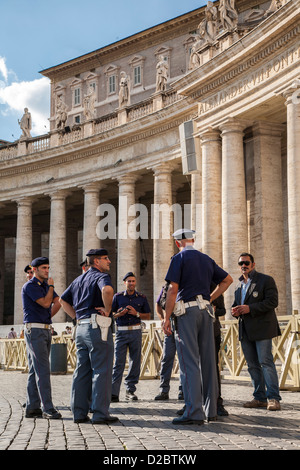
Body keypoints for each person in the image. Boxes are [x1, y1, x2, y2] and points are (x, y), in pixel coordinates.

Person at [163, 229, 233, 425]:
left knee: (189, 361)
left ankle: (193, 411)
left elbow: (172, 289)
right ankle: (211, 411)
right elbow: (227, 280)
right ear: (193, 240)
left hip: (187, 312)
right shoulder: (206, 258)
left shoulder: (179, 258)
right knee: (209, 362)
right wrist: (210, 299)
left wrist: (166, 317)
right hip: (206, 312)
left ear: (178, 243)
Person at [59, 248, 118, 424]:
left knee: (81, 371)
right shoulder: (101, 277)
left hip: (81, 328)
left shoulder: (79, 279)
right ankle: (100, 413)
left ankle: (78, 413)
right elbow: (107, 290)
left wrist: (76, 316)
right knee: (102, 370)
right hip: (97, 327)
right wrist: (108, 309)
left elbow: (63, 300)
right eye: (106, 259)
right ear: (97, 261)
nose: (109, 261)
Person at [231, 253, 282, 411]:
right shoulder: (239, 286)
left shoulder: (265, 280)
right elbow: (237, 304)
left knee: (266, 363)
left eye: (246, 262)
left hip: (262, 329)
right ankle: (259, 397)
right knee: (252, 365)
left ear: (253, 264)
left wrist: (249, 308)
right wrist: (235, 311)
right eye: (241, 263)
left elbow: (272, 302)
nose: (243, 266)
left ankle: (273, 398)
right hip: (246, 330)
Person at [21, 256, 62, 420]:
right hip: (35, 330)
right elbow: (47, 303)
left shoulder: (45, 286)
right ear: (35, 270)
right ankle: (48, 408)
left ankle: (32, 407)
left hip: (44, 328)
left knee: (34, 369)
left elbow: (58, 302)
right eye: (44, 268)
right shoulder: (30, 286)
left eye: (48, 268)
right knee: (43, 369)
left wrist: (47, 318)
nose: (47, 270)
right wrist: (51, 286)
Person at [111, 272, 151, 402]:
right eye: (129, 281)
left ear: (135, 283)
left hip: (135, 332)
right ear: (124, 283)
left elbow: (148, 315)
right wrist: (119, 314)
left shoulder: (142, 298)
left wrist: (136, 313)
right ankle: (114, 393)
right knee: (118, 362)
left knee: (135, 362)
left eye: (133, 281)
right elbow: (111, 314)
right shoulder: (117, 297)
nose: (131, 283)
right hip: (121, 332)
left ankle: (130, 390)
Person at [154, 281, 184, 401]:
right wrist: (162, 319)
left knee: (183, 358)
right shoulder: (166, 286)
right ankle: (163, 390)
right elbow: (158, 304)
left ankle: (183, 389)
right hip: (170, 326)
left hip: (183, 325)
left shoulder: (186, 284)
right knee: (167, 358)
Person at [211, 282, 228, 416]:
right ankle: (192, 402)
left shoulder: (214, 286)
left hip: (212, 331)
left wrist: (214, 309)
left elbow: (223, 310)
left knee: (213, 368)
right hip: (193, 332)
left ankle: (217, 402)